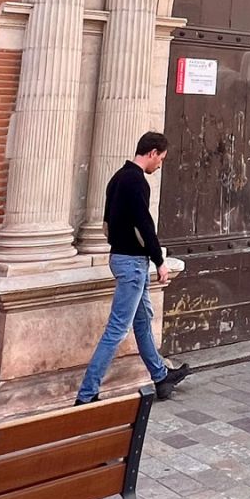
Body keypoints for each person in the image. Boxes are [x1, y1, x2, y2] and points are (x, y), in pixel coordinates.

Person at [75, 132, 189, 405]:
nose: (159, 165)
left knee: (142, 319)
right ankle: (86, 395)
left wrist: (120, 245)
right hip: (132, 263)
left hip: (119, 256)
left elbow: (105, 224)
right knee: (117, 329)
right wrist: (158, 261)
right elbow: (144, 225)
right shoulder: (137, 181)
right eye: (160, 159)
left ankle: (161, 377)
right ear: (152, 153)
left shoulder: (117, 178)